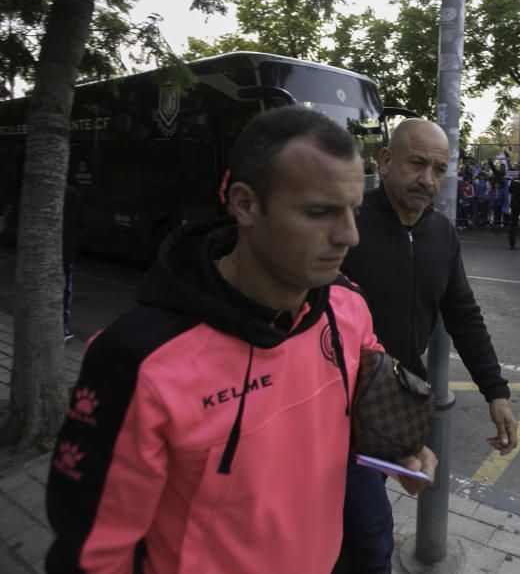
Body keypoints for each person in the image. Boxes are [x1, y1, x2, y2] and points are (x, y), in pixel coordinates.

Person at [44, 107, 437, 573]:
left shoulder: (347, 308)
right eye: (319, 212)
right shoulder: (137, 360)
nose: (349, 236)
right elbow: (93, 556)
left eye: (352, 211)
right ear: (245, 204)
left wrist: (399, 448)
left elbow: (359, 400)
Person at [336, 118, 518, 574]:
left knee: (355, 530)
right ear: (385, 161)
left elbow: (463, 313)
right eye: (417, 164)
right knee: (368, 534)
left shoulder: (441, 233)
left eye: (439, 169)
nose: (428, 180)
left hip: (392, 406)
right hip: (335, 409)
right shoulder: (349, 224)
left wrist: (496, 391)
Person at [62, 184, 86, 341]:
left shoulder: (33, 189)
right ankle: (63, 327)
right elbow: (84, 223)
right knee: (65, 290)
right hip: (66, 253)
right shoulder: (74, 194)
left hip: (42, 253)